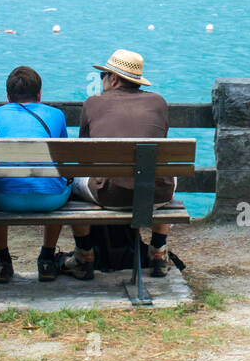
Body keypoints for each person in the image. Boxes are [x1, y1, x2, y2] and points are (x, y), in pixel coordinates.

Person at [61, 49, 176, 280]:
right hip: (155, 195)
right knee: (168, 174)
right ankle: (158, 252)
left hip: (109, 195)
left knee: (70, 184)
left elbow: (84, 158)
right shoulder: (159, 102)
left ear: (113, 79)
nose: (101, 80)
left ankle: (84, 255)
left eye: (103, 75)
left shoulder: (93, 103)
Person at [0, 66, 71, 283]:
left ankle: (2, 259)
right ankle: (47, 258)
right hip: (51, 200)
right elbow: (63, 162)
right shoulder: (57, 115)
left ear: (7, 96)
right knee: (59, 181)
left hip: (5, 200)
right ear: (39, 94)